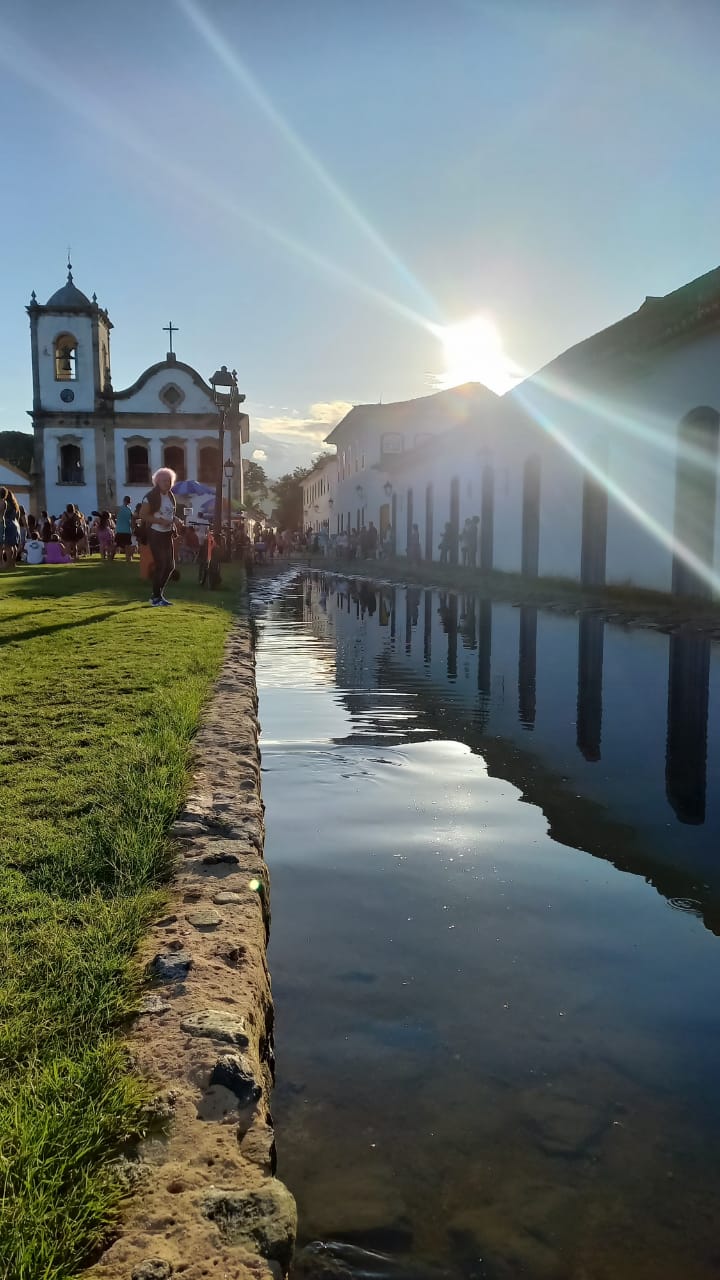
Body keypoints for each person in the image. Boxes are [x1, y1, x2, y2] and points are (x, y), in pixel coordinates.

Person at [139, 467, 177, 605]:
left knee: (170, 566)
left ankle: (157, 595)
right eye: (164, 480)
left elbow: (169, 513)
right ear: (157, 481)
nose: (167, 483)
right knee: (161, 564)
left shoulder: (170, 496)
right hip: (156, 533)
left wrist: (175, 520)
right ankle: (156, 597)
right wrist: (160, 521)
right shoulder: (150, 496)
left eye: (169, 480)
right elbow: (142, 515)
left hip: (167, 534)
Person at [0, 487, 21, 569]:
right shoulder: (15, 505)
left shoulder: (5, 504)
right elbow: (18, 516)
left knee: (7, 546)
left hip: (7, 523)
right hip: (15, 524)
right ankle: (12, 563)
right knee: (13, 546)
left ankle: (7, 564)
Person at [115, 496, 134, 562]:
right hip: (127, 530)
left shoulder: (118, 508)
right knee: (127, 545)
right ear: (129, 502)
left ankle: (110, 557)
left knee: (116, 544)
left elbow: (115, 516)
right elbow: (132, 520)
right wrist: (133, 529)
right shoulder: (129, 510)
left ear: (123, 500)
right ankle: (128, 559)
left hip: (119, 529)